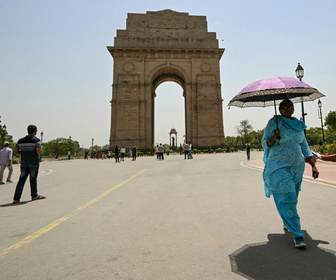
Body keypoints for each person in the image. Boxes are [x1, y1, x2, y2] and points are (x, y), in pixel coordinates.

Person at [261, 99, 319, 248]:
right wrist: (274, 137)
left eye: (290, 106)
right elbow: (263, 143)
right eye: (284, 106)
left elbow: (304, 146)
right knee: (287, 196)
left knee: (292, 197)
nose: (287, 109)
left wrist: (313, 165)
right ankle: (298, 235)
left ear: (293, 109)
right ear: (279, 109)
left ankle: (288, 221)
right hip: (278, 166)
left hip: (297, 167)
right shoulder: (274, 122)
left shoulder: (298, 125)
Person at [13, 125, 46, 203]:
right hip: (33, 162)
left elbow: (16, 151)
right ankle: (34, 195)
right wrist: (40, 149)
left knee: (21, 179)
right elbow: (38, 151)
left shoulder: (20, 141)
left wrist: (24, 152)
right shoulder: (37, 140)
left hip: (24, 162)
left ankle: (16, 198)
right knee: (33, 179)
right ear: (35, 132)